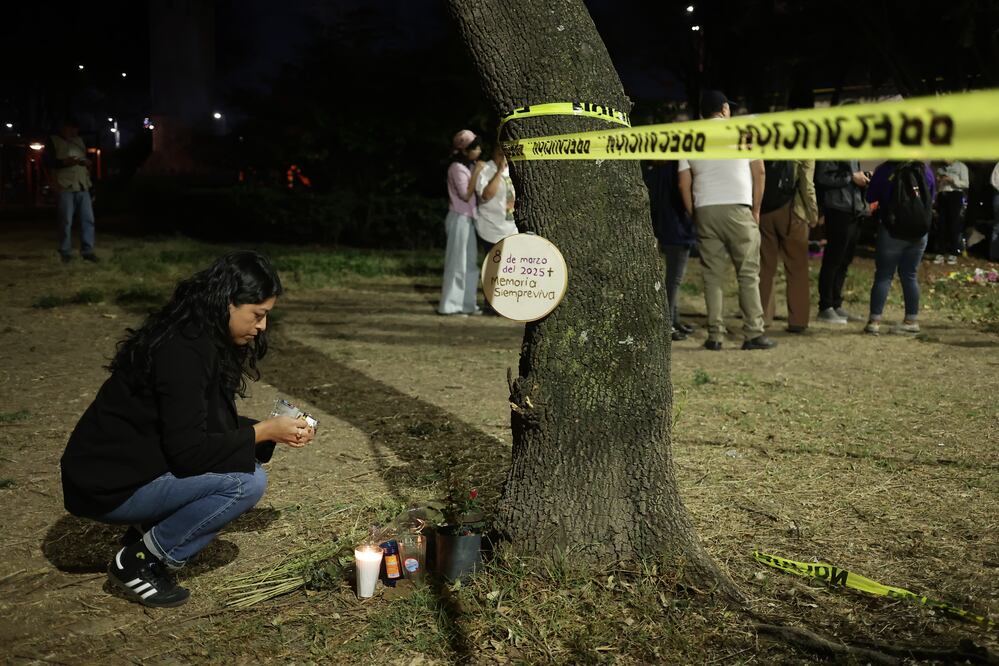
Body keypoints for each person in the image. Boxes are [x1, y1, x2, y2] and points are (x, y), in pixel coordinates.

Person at [60, 252, 314, 607]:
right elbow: (190, 451)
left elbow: (200, 427)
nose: (262, 326)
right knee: (246, 482)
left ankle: (146, 531)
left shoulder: (198, 337)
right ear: (228, 303)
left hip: (120, 468)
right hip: (105, 484)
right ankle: (139, 561)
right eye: (257, 314)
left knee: (239, 467)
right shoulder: (182, 352)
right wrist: (264, 432)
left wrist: (270, 430)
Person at [678, 90, 775, 351]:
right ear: (724, 110)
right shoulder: (742, 132)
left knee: (712, 276)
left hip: (706, 209)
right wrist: (756, 209)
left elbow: (684, 181)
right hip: (738, 207)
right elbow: (760, 170)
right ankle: (753, 333)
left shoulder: (688, 138)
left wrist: (694, 213)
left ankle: (715, 335)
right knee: (747, 274)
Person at [863, 162, 936, 335]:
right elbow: (931, 198)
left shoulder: (886, 169)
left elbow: (870, 196)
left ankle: (874, 321)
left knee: (883, 276)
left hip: (891, 231)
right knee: (910, 275)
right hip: (919, 233)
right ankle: (911, 320)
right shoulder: (925, 170)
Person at [758, 160, 820, 333]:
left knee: (764, 266)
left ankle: (762, 317)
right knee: (797, 268)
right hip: (793, 211)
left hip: (764, 210)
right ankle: (798, 320)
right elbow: (807, 184)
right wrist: (813, 213)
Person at [643, 160, 696, 341]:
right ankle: (668, 322)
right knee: (674, 279)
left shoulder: (656, 166)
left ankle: (674, 318)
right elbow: (684, 187)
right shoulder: (680, 163)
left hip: (663, 224)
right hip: (678, 227)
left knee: (673, 277)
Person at [814, 160, 869, 323]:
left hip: (855, 210)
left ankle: (836, 304)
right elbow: (822, 178)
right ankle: (825, 306)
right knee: (833, 259)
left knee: (845, 260)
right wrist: (850, 178)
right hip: (838, 209)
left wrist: (864, 178)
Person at [438, 130, 484, 315]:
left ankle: (467, 304)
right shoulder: (456, 168)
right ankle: (450, 305)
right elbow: (465, 195)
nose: (479, 150)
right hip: (458, 217)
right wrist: (477, 172)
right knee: (457, 262)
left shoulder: (470, 166)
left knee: (470, 262)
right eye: (475, 147)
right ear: (465, 150)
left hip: (469, 218)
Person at [45, 119, 97, 263]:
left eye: (76, 129)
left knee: (88, 219)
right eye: (71, 129)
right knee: (65, 220)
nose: (74, 132)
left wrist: (86, 163)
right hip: (64, 185)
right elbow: (48, 163)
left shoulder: (79, 141)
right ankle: (65, 251)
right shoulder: (53, 141)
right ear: (64, 128)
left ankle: (87, 251)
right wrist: (63, 163)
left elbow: (84, 159)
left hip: (82, 185)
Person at [474, 144, 518, 254]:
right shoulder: (486, 169)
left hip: (512, 230)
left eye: (506, 155)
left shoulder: (514, 169)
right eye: (500, 154)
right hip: (491, 230)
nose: (504, 158)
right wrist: (499, 171)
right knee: (493, 268)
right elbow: (486, 195)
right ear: (493, 153)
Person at [932, 160, 969, 265]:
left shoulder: (961, 166)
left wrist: (952, 180)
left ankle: (953, 253)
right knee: (941, 224)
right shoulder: (941, 169)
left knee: (954, 224)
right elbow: (936, 184)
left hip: (955, 195)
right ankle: (940, 252)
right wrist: (939, 180)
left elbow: (966, 183)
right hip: (943, 195)